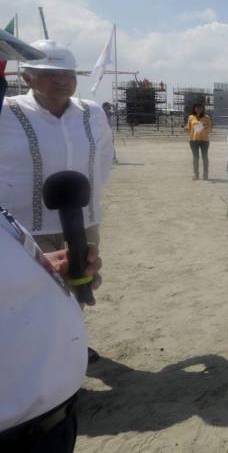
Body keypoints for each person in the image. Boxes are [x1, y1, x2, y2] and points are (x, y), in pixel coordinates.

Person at [0, 33, 103, 453]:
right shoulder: (7, 113)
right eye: (49, 74)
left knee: (82, 281)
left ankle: (72, 342)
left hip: (80, 213)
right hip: (24, 222)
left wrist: (92, 208)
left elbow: (103, 160)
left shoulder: (92, 114)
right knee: (31, 295)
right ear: (27, 75)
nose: (60, 81)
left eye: (66, 74)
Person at [184, 102, 212, 180]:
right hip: (193, 140)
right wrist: (186, 128)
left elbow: (210, 128)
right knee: (195, 158)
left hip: (204, 140)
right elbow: (188, 127)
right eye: (197, 107)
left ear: (203, 109)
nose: (198, 109)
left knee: (205, 157)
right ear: (194, 108)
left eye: (200, 107)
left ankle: (205, 174)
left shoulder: (207, 117)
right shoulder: (191, 117)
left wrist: (205, 126)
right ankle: (196, 174)